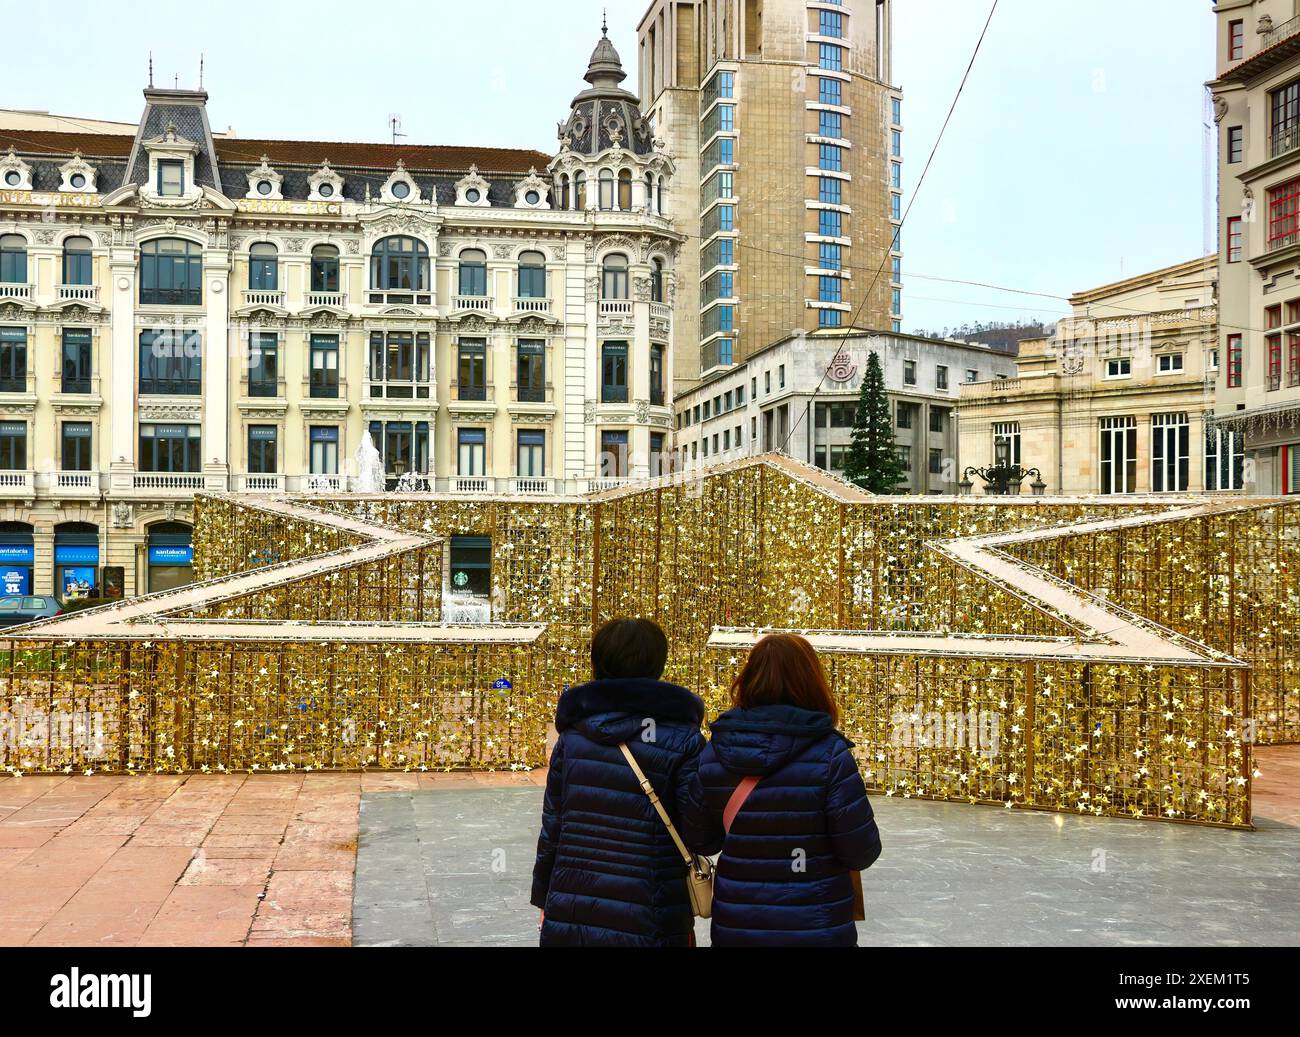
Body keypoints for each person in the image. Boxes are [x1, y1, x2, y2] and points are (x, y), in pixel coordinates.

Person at [530, 618, 713, 947]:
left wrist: (545, 898)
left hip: (573, 907)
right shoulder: (684, 740)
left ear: (599, 662)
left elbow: (552, 828)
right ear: (657, 664)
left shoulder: (572, 739)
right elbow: (701, 835)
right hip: (652, 915)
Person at [693, 633, 882, 947]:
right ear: (811, 682)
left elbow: (701, 838)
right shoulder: (830, 754)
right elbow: (861, 850)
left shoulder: (715, 752)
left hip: (738, 926)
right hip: (817, 927)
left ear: (748, 680)